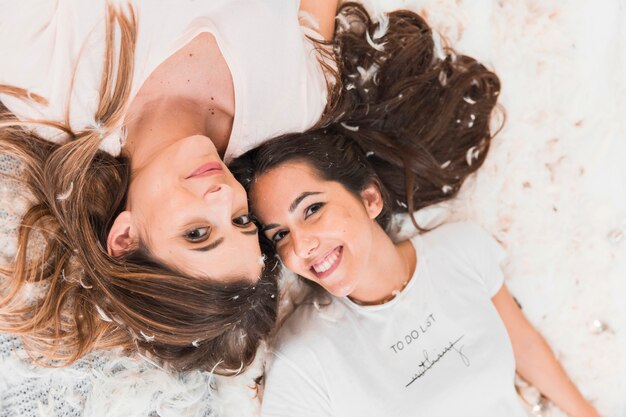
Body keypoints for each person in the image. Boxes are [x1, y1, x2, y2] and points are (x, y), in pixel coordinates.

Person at [230, 7, 601, 416]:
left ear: (370, 199)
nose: (301, 245)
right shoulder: (305, 357)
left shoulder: (461, 251)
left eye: (312, 209)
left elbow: (525, 345)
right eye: (279, 233)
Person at [0, 0, 339, 373]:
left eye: (197, 232)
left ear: (125, 237)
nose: (224, 197)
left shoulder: (48, 85)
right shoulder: (297, 105)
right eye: (241, 221)